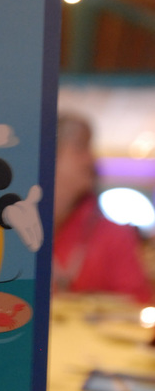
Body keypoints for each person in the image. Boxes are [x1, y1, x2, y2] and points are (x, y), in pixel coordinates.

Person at [53, 112, 153, 304]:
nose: (91, 160)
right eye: (80, 148)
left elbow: (137, 301)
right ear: (48, 154)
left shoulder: (115, 234)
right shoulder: (16, 227)